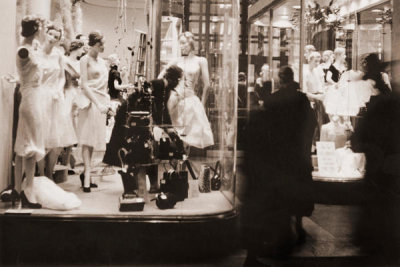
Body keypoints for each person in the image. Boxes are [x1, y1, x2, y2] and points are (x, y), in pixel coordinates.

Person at [242, 66, 316, 265]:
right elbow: (311, 123)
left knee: (276, 198)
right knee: (295, 190)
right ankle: (296, 225)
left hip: (279, 155)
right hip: (294, 152)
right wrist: (304, 146)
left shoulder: (274, 100)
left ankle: (268, 244)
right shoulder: (299, 99)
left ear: (280, 79)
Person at [13, 15, 47, 208]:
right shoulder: (24, 50)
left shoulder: (31, 48)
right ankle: (28, 192)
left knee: (24, 145)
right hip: (30, 99)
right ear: (35, 30)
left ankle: (19, 190)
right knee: (30, 147)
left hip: (34, 97)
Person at [159, 31, 214, 149]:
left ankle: (183, 159)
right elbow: (160, 77)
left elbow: (207, 85)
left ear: (191, 43)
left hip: (190, 100)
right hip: (175, 99)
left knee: (190, 134)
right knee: (174, 132)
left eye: (184, 43)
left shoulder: (201, 60)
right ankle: (178, 160)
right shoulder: (176, 60)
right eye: (180, 43)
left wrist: (203, 103)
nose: (181, 46)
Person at [38, 23, 76, 180]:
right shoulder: (36, 53)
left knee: (57, 138)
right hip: (39, 96)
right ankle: (40, 174)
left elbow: (62, 76)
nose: (53, 38)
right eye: (51, 34)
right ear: (45, 33)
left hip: (55, 97)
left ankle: (49, 172)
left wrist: (58, 89)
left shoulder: (59, 55)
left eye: (56, 37)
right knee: (40, 137)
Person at [76, 30, 110, 192]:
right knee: (86, 138)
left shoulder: (103, 62)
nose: (103, 46)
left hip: (101, 101)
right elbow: (84, 84)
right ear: (92, 45)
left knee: (94, 140)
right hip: (89, 102)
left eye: (103, 43)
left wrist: (106, 103)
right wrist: (96, 102)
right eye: (100, 44)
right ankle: (87, 175)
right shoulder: (84, 60)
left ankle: (86, 174)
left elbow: (105, 86)